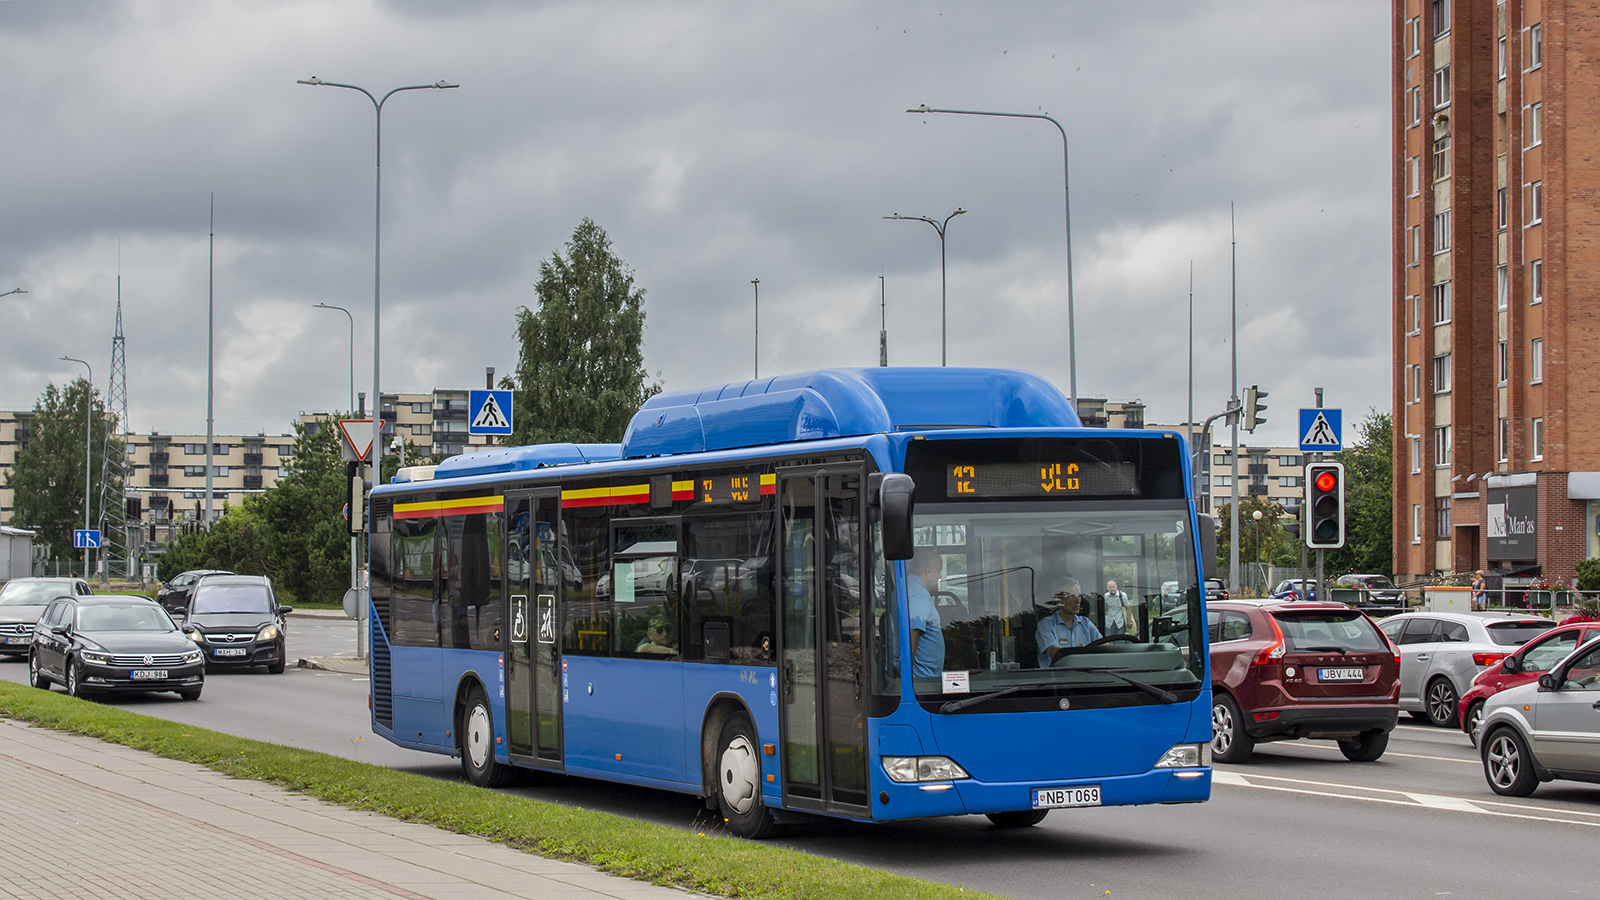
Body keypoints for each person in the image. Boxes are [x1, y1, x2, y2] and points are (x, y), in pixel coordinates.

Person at [1036, 577, 1103, 668]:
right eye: (1071, 596)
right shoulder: (1046, 624)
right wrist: (1078, 651)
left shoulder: (1086, 623)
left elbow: (1103, 647)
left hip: (1085, 677)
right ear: (1058, 599)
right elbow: (1054, 652)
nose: (1077, 601)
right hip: (1056, 678)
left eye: (1079, 596)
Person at [905, 546, 944, 678]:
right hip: (921, 679)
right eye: (938, 571)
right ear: (928, 570)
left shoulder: (907, 587)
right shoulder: (919, 594)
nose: (940, 576)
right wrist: (906, 676)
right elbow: (913, 631)